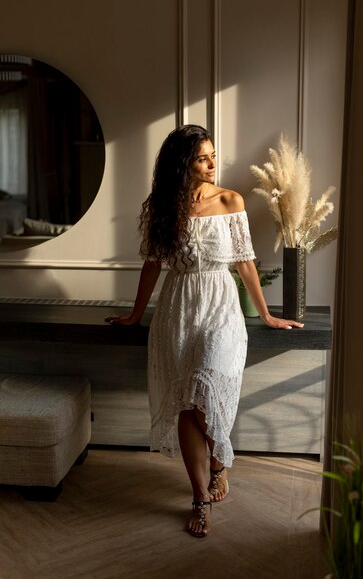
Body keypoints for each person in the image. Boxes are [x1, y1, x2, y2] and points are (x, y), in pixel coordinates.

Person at [106, 125, 303, 538]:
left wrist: (267, 316)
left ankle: (218, 463)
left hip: (220, 307)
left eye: (214, 156)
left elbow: (246, 262)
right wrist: (134, 315)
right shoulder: (163, 206)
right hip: (177, 308)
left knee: (206, 389)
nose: (213, 164)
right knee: (186, 401)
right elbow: (153, 265)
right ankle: (200, 498)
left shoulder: (231, 199)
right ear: (183, 163)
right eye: (203, 158)